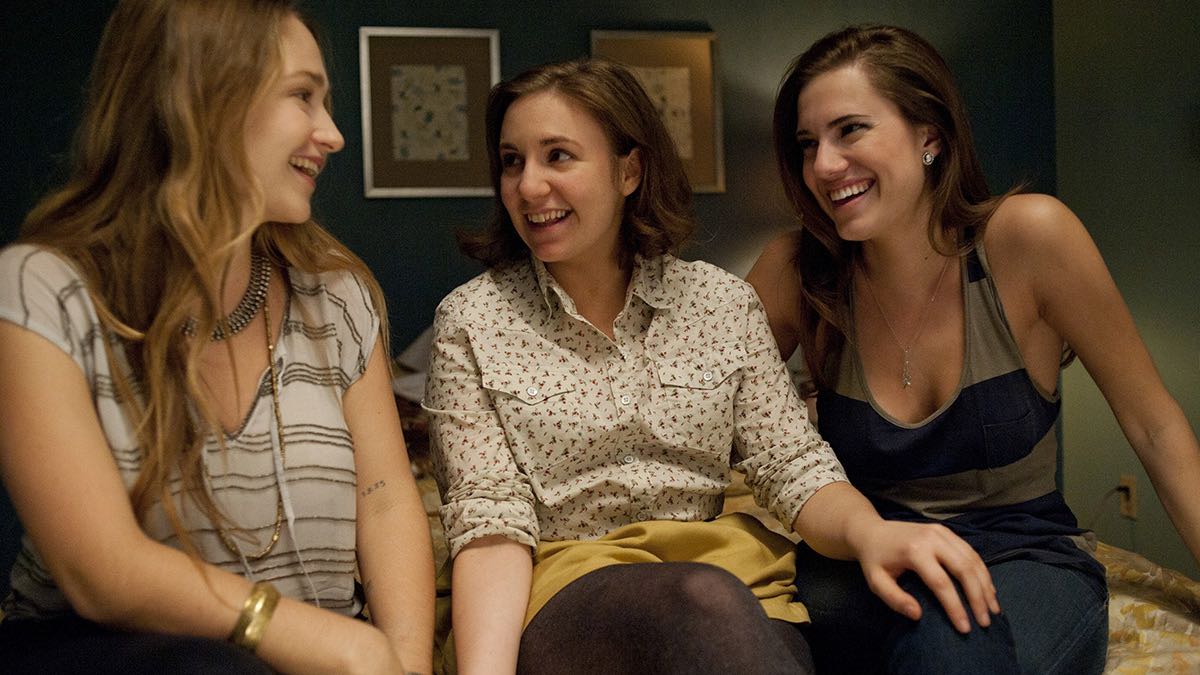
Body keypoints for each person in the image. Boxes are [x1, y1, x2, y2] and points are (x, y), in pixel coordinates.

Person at [424, 57, 1000, 675]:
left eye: (557, 156)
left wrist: (871, 533)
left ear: (629, 171)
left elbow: (791, 464)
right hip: (565, 591)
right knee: (703, 601)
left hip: (734, 582)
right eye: (512, 161)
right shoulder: (474, 320)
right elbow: (491, 519)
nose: (528, 186)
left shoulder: (720, 303)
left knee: (918, 614)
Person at [747, 23, 1200, 675]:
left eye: (850, 130)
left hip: (1022, 557)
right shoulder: (797, 272)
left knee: (949, 640)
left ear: (930, 135)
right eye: (807, 144)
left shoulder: (1030, 240)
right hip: (860, 566)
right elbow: (699, 416)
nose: (823, 165)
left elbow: (1155, 428)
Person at [0, 1, 435, 672]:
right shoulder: (41, 290)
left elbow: (385, 500)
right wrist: (339, 644)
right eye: (303, 97)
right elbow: (99, 570)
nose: (332, 134)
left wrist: (400, 661)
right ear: (204, 100)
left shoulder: (337, 294)